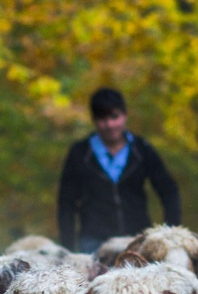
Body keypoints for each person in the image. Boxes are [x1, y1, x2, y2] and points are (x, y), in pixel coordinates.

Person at [56, 87, 182, 254]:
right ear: (93, 120)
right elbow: (66, 203)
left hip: (137, 241)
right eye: (102, 119)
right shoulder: (80, 153)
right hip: (94, 244)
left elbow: (169, 191)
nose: (109, 125)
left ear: (125, 115)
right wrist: (67, 248)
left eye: (114, 117)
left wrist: (168, 235)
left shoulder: (142, 150)